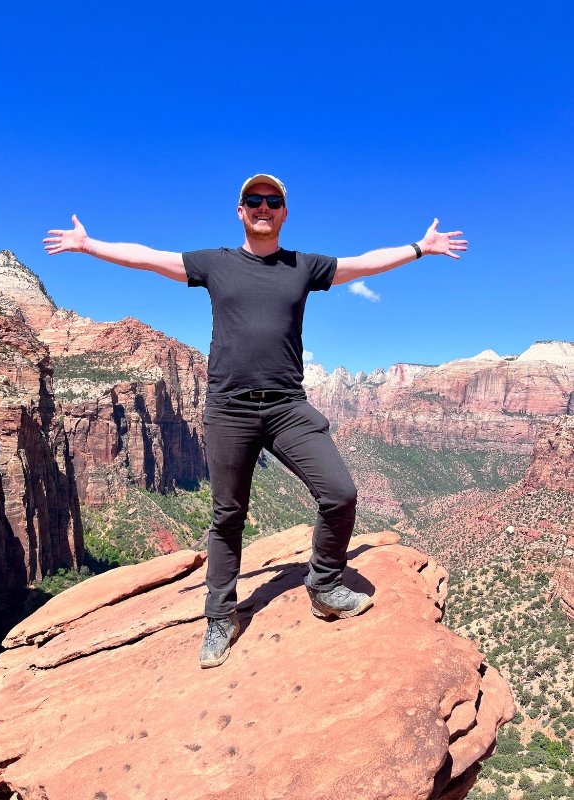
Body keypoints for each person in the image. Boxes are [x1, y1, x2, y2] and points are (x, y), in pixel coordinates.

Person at [44, 173, 467, 668]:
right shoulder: (215, 264)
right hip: (229, 407)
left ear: (285, 213)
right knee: (228, 516)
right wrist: (89, 245)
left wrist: (420, 247)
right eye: (253, 200)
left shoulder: (304, 266)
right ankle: (221, 617)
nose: (262, 207)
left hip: (288, 405)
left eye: (272, 201)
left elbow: (363, 264)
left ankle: (324, 583)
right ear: (240, 210)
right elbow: (150, 257)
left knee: (340, 493)